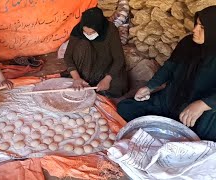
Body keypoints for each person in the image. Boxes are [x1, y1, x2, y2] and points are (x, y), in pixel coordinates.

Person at [117, 6, 216, 141]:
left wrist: (203, 104)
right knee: (125, 108)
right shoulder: (187, 43)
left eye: (202, 27)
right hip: (169, 100)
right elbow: (169, 68)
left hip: (196, 113)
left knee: (206, 140)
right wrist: (149, 87)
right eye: (196, 24)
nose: (195, 30)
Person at [63, 7, 128, 98]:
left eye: (92, 32)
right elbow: (68, 56)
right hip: (85, 67)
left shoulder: (110, 30)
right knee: (83, 44)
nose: (88, 34)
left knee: (118, 86)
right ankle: (84, 80)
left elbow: (119, 58)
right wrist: (76, 78)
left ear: (99, 28)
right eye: (85, 32)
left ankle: (96, 83)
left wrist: (107, 79)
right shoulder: (77, 30)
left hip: (104, 65)